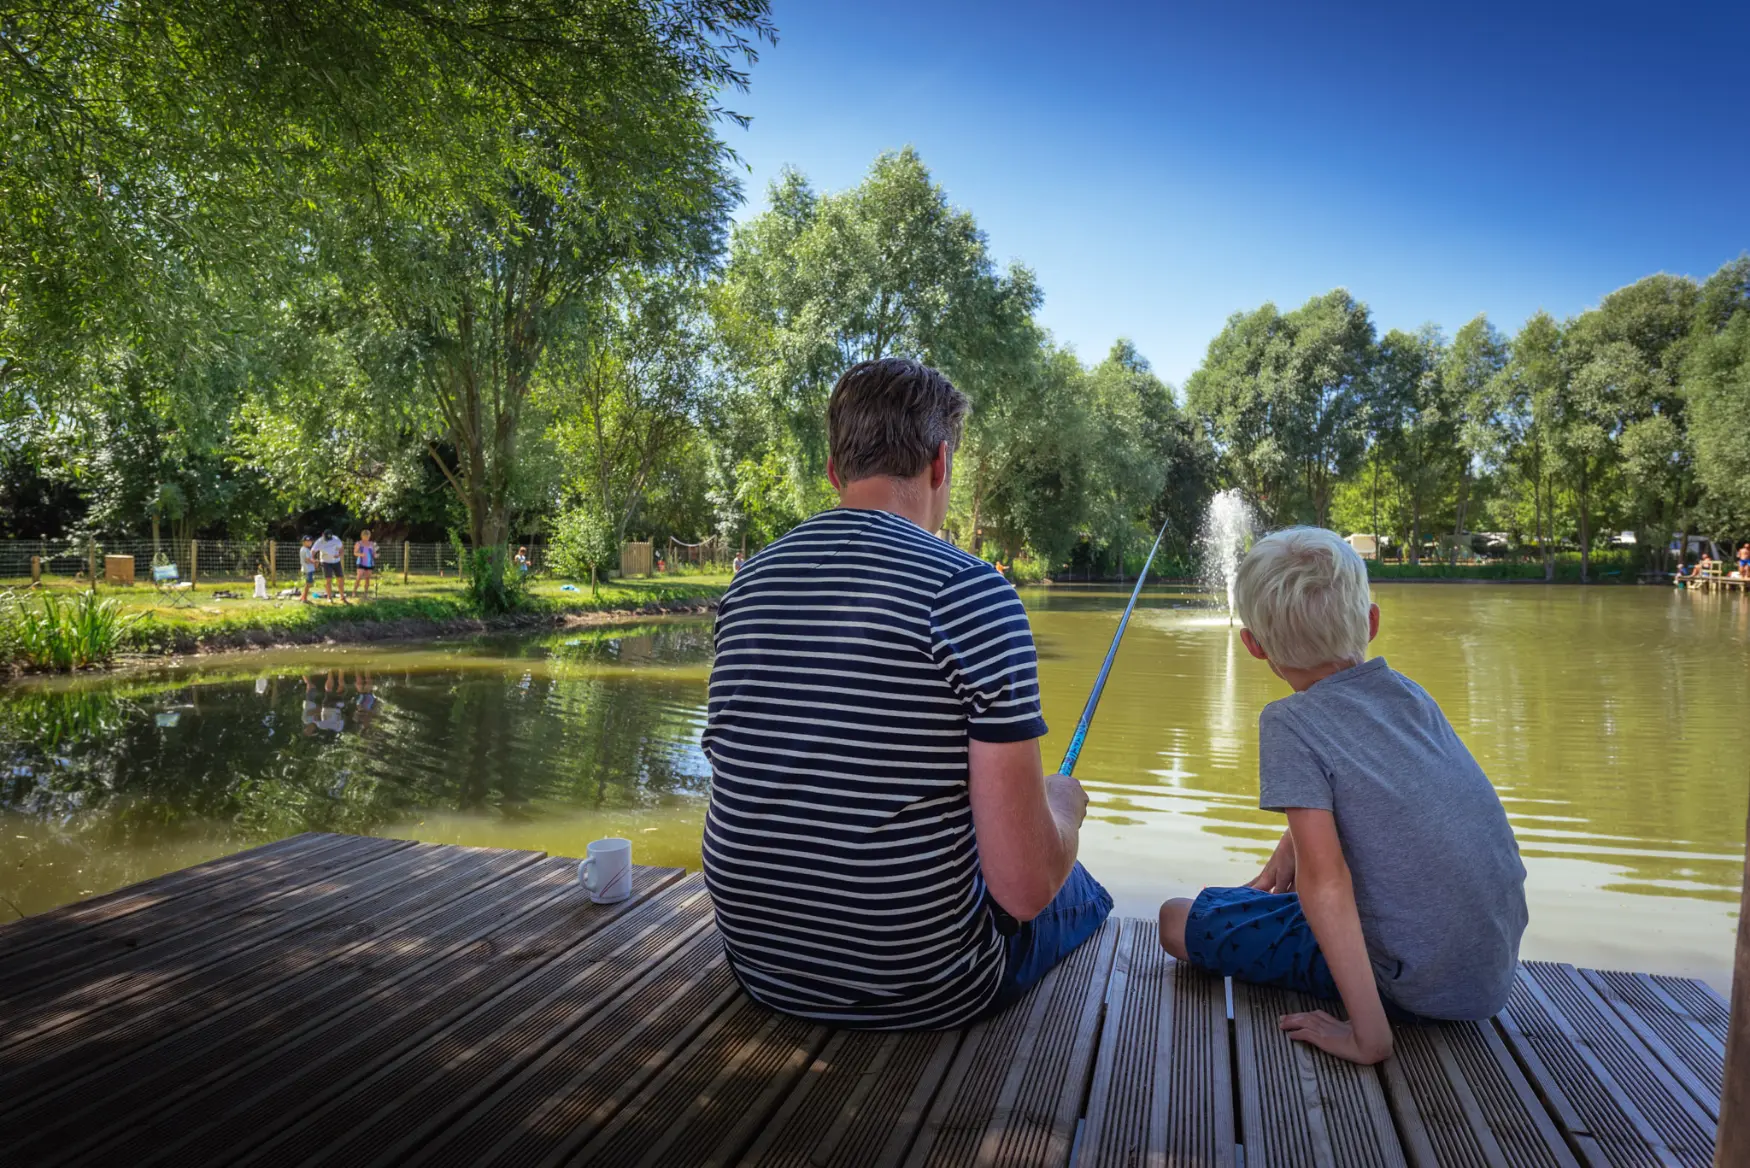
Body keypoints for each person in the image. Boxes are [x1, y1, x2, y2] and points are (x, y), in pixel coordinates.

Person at [702, 357, 1109, 1030]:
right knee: (1079, 890)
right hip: (925, 987)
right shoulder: (970, 591)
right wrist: (1063, 807)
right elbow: (1026, 887)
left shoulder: (748, 586)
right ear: (941, 463)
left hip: (761, 965)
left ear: (834, 472)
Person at [1157, 526, 1527, 1066]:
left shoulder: (1290, 721)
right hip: (1486, 975)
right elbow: (1387, 791)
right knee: (1273, 898)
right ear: (1372, 622)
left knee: (1174, 919)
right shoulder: (1410, 695)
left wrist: (1367, 1035)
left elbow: (1326, 883)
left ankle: (1373, 1022)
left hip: (1412, 986)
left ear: (1254, 645)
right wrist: (1292, 844)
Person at [315, 529, 347, 604]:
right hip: (325, 562)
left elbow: (342, 549)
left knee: (340, 579)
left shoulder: (336, 539)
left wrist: (339, 555)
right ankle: (329, 597)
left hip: (336, 562)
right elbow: (313, 550)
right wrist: (314, 560)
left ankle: (342, 596)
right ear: (323, 535)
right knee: (328, 580)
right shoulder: (319, 541)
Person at [353, 529, 378, 598]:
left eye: (368, 536)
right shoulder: (358, 543)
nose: (366, 538)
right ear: (362, 536)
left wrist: (375, 555)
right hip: (360, 563)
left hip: (369, 563)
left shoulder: (372, 544)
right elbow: (355, 553)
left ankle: (365, 593)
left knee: (367, 578)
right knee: (359, 577)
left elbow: (374, 553)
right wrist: (361, 554)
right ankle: (354, 592)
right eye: (365, 536)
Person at [298, 537, 317, 604]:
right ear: (303, 542)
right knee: (308, 584)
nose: (310, 542)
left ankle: (302, 597)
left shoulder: (304, 549)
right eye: (307, 541)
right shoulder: (305, 550)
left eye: (310, 541)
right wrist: (315, 562)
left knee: (307, 584)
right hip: (308, 569)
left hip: (307, 568)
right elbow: (307, 560)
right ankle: (304, 599)